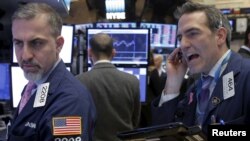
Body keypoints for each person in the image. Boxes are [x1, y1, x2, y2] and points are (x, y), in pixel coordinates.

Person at [151, 1, 250, 135]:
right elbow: (163, 135)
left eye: (192, 33)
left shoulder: (246, 76)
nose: (183, 45)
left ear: (220, 36)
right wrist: (172, 84)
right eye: (180, 38)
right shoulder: (194, 87)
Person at [8, 3, 96, 141]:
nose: (25, 56)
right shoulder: (34, 85)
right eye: (18, 43)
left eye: (36, 43)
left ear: (59, 45)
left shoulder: (70, 103)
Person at [76, 33, 141, 141]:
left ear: (89, 53)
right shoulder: (133, 81)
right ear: (113, 53)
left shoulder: (79, 81)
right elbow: (135, 121)